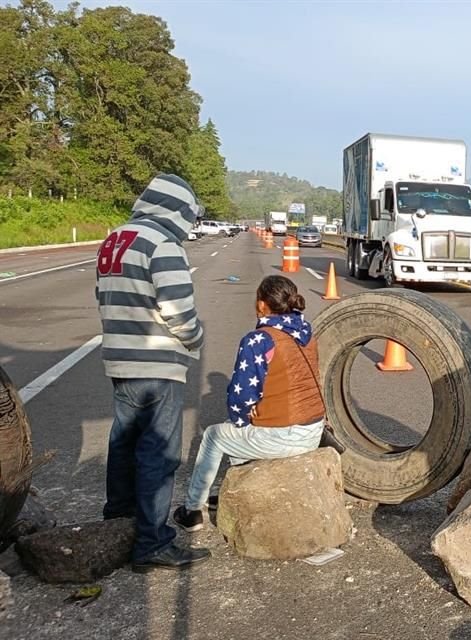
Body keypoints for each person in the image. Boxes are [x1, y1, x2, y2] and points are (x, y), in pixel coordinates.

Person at [95, 174, 209, 572]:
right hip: (157, 364)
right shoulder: (163, 244)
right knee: (158, 454)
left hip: (119, 358)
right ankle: (151, 542)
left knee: (124, 444)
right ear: (177, 210)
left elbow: (102, 296)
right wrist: (196, 338)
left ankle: (119, 522)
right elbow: (178, 310)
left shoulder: (115, 239)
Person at [173, 275, 326, 531]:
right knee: (237, 431)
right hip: (313, 429)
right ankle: (239, 491)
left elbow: (241, 398)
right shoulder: (306, 333)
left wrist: (243, 417)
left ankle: (192, 511)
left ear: (262, 304)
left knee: (215, 435)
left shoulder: (259, 340)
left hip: (285, 436)